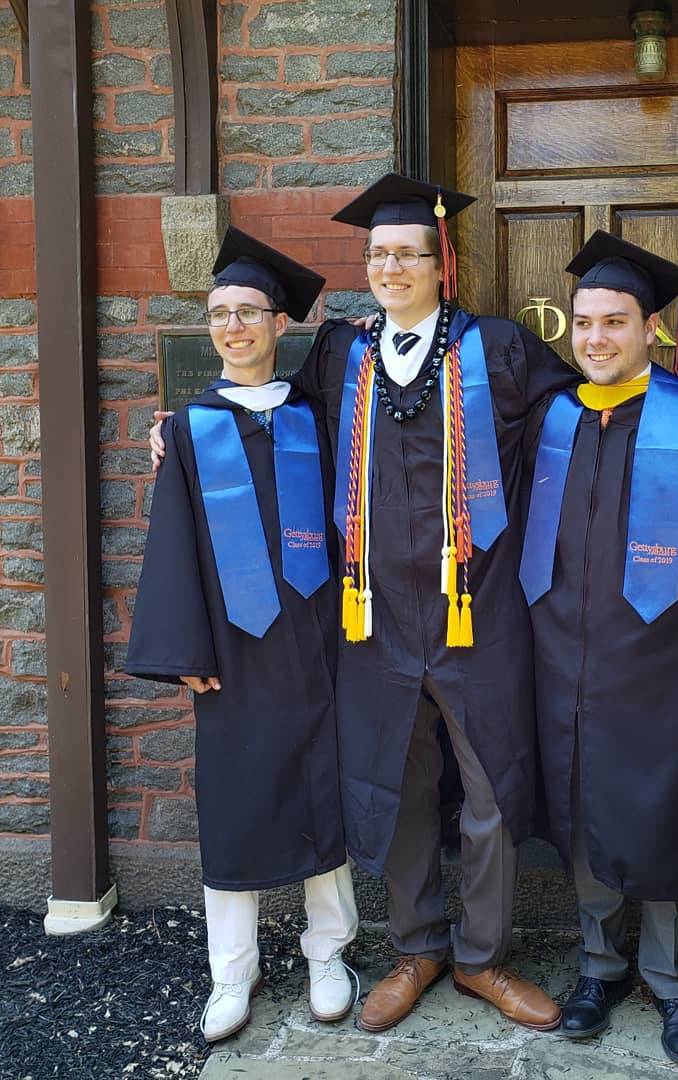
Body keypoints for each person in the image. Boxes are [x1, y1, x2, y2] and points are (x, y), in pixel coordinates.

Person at [292, 173, 579, 1033]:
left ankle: (484, 958)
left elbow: (588, 417)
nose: (390, 267)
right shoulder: (343, 352)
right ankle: (416, 946)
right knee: (398, 783)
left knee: (491, 786)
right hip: (373, 614)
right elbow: (283, 431)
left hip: (476, 609)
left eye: (407, 254)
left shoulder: (497, 348)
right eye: (378, 255)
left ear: (440, 263)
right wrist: (180, 430)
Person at [520, 232, 678, 1066]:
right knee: (583, 814)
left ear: (651, 327)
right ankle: (599, 966)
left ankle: (672, 980)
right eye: (583, 324)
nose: (594, 340)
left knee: (659, 814)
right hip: (561, 662)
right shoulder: (552, 418)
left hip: (661, 666)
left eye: (614, 322)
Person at [127, 228, 359, 1043]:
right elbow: (172, 548)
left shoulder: (318, 417)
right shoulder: (189, 432)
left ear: (279, 323)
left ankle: (330, 955)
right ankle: (234, 971)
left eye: (248, 311)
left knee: (320, 796)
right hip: (232, 653)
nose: (232, 326)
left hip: (320, 643)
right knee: (234, 806)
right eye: (219, 313)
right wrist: (185, 655)